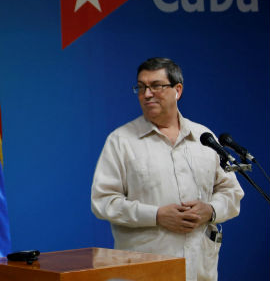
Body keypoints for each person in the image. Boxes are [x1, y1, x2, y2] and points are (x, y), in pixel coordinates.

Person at [91, 57, 244, 281]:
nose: (147, 94)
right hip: (143, 272)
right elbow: (103, 202)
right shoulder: (121, 141)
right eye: (141, 87)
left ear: (177, 90)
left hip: (200, 270)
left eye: (156, 86)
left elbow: (232, 192)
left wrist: (210, 211)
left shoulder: (203, 137)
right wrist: (156, 215)